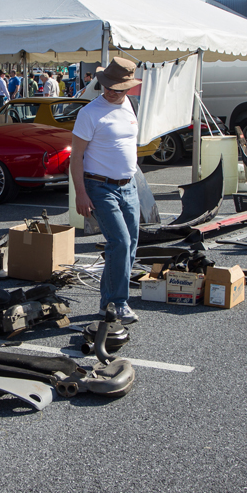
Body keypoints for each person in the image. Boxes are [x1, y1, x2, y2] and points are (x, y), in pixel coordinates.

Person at [71, 57, 141, 324]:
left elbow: (129, 147)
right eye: (107, 86)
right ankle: (116, 302)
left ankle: (110, 302)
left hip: (128, 185)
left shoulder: (130, 107)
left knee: (130, 245)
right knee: (120, 243)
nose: (111, 92)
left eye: (118, 89)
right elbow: (76, 156)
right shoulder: (90, 112)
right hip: (100, 186)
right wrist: (81, 193)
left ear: (129, 89)